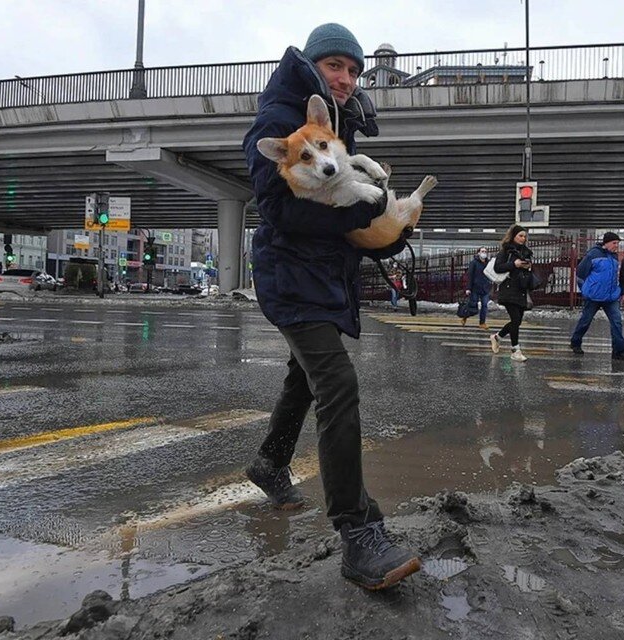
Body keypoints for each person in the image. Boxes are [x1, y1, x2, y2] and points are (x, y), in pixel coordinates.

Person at [242, 23, 420, 590]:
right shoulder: (279, 122)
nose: (346, 79)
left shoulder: (338, 123)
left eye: (354, 70)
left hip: (322, 277)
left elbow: (347, 211)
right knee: (336, 382)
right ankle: (357, 531)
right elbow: (282, 212)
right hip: (289, 278)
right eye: (336, 66)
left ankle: (270, 463)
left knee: (305, 377)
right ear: (313, 65)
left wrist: (389, 233)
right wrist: (356, 216)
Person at [569, 232, 624, 360]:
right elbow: (581, 273)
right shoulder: (593, 254)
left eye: (618, 243)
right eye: (614, 243)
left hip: (610, 297)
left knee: (616, 322)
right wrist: (586, 289)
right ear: (606, 243)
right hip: (594, 296)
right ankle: (575, 342)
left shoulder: (614, 257)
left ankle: (618, 351)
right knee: (585, 321)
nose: (616, 246)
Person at [490, 224, 535, 362]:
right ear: (514, 236)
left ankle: (497, 337)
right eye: (520, 236)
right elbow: (498, 267)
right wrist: (513, 265)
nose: (523, 239)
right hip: (508, 289)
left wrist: (527, 267)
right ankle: (515, 350)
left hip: (521, 289)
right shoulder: (506, 250)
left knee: (517, 321)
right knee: (515, 320)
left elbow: (526, 271)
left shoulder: (526, 252)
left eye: (524, 236)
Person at [462, 247, 491, 329]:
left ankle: (482, 323)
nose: (484, 253)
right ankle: (465, 317)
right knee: (472, 305)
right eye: (482, 251)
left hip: (485, 287)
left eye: (485, 251)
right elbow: (470, 275)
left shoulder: (488, 263)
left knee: (484, 305)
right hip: (475, 288)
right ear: (478, 253)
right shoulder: (474, 263)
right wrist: (468, 288)